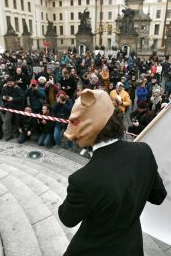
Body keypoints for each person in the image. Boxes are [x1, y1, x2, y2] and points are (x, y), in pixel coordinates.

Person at [59, 89, 167, 256]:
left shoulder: (82, 180)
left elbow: (67, 218)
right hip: (131, 247)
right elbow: (158, 196)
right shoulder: (143, 151)